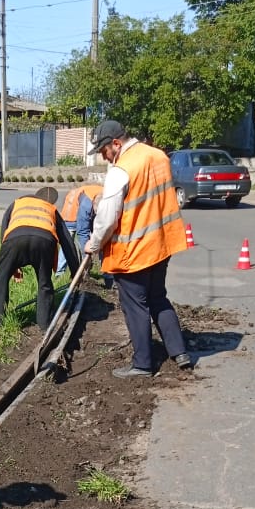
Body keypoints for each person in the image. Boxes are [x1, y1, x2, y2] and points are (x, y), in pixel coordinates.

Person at [84, 119, 192, 377]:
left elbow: (108, 217)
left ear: (116, 143)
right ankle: (179, 352)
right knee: (158, 297)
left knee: (135, 306)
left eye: (104, 151)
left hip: (134, 251)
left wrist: (94, 243)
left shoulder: (121, 170)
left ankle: (142, 364)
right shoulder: (158, 156)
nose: (104, 157)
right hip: (162, 243)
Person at [0, 185, 80, 330]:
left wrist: (12, 265)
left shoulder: (16, 204)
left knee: (1, 279)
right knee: (44, 283)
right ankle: (45, 324)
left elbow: (4, 232)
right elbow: (67, 242)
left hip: (15, 240)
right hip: (44, 241)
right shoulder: (50, 209)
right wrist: (76, 272)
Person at [55, 183, 104, 275]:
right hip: (72, 207)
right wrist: (86, 257)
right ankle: (59, 273)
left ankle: (106, 272)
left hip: (91, 202)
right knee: (68, 241)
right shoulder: (86, 206)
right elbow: (83, 232)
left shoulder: (110, 200)